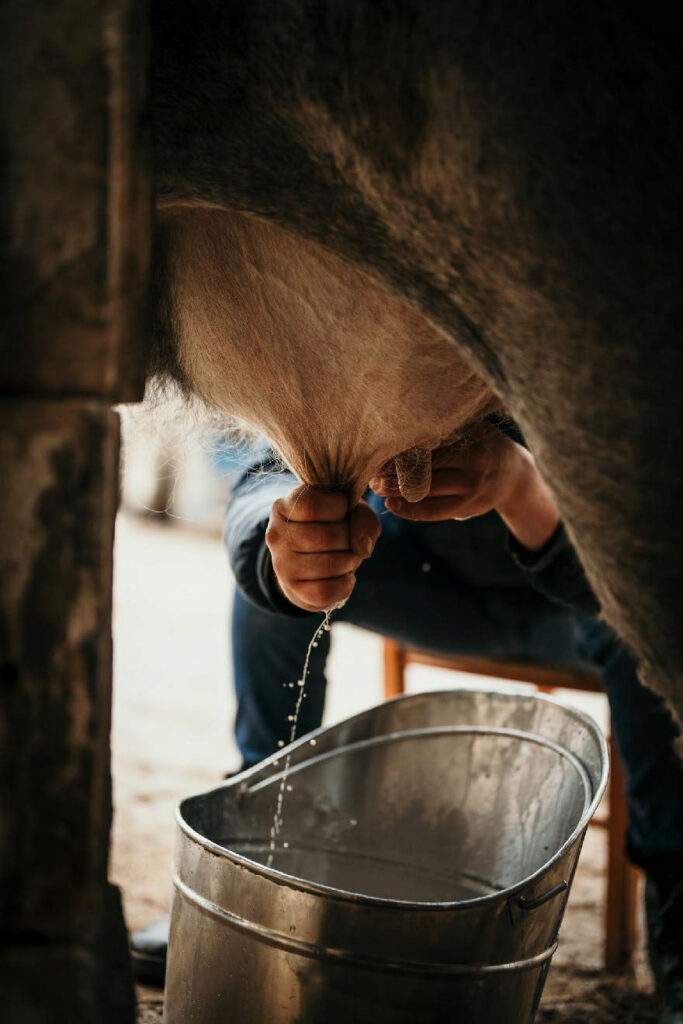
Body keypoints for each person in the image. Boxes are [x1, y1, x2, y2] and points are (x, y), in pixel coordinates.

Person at [132, 425, 683, 1024]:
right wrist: (288, 544)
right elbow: (266, 469)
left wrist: (521, 484)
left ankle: (677, 913)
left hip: (583, 598)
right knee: (273, 585)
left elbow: (654, 539)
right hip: (429, 582)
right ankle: (250, 864)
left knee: (654, 640)